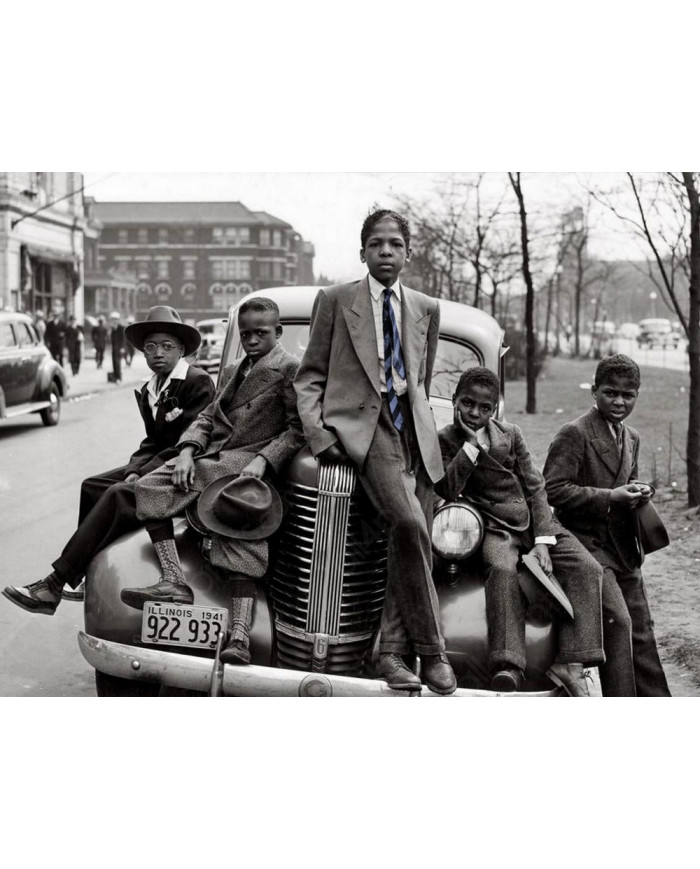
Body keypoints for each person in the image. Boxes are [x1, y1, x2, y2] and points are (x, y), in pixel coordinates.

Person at [293, 208, 456, 695]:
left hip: (416, 437)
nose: (386, 252)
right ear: (362, 251)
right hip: (366, 429)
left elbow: (421, 382)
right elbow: (309, 378)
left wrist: (421, 426)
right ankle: (433, 652)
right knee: (409, 525)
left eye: (395, 244)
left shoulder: (426, 306)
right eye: (376, 244)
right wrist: (323, 439)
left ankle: (390, 654)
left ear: (408, 252)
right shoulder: (337, 299)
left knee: (408, 540)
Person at [120, 297, 305, 665]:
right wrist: (187, 450)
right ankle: (173, 579)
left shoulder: (289, 369)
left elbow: (297, 429)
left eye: (261, 333)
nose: (252, 339)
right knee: (149, 485)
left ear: (278, 333)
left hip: (246, 464)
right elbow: (208, 416)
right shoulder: (235, 368)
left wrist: (263, 461)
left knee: (239, 533)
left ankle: (239, 637)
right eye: (246, 333)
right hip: (214, 458)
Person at [2, 306, 215, 615]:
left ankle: (53, 584)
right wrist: (133, 469)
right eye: (151, 347)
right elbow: (152, 442)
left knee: (118, 495)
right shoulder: (149, 388)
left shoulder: (197, 382)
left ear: (182, 350)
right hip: (157, 463)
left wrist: (139, 473)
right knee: (92, 486)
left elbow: (192, 441)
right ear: (143, 353)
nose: (158, 354)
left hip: (185, 470)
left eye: (167, 347)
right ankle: (87, 573)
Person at [437, 367, 605, 695]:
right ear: (455, 401)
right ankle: (508, 663)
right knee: (501, 570)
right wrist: (470, 448)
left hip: (533, 524)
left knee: (588, 568)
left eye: (484, 408)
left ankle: (571, 660)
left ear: (495, 408)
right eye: (467, 404)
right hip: (494, 527)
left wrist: (543, 539)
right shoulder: (446, 439)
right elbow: (446, 487)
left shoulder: (511, 433)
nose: (475, 413)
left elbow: (535, 487)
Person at [543, 354, 671, 696]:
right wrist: (610, 496)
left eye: (628, 395)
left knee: (642, 629)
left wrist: (641, 490)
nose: (619, 402)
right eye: (610, 393)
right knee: (620, 623)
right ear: (594, 392)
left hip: (622, 548)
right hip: (585, 546)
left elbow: (627, 478)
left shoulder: (632, 437)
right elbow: (552, 490)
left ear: (637, 395)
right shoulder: (574, 433)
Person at [109, 311, 125, 382]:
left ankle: (118, 377)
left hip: (119, 348)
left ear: (117, 320)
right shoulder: (113, 329)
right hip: (114, 348)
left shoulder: (121, 328)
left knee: (117, 362)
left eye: (114, 319)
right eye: (112, 319)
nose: (113, 321)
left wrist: (122, 347)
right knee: (114, 362)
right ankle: (115, 376)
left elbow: (123, 339)